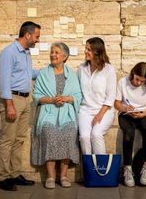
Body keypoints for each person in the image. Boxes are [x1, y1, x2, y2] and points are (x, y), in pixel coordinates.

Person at [31, 42, 82, 189]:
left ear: (64, 57)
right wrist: (52, 100)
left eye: (56, 53)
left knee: (69, 132)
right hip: (48, 112)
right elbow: (36, 96)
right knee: (49, 132)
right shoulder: (43, 74)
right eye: (52, 52)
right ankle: (51, 176)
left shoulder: (71, 74)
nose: (53, 55)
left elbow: (78, 96)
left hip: (66, 113)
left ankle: (63, 175)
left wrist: (67, 98)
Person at [0, 21, 41, 191]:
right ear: (27, 35)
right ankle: (3, 178)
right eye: (36, 36)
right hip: (12, 100)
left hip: (25, 99)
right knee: (7, 140)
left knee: (19, 140)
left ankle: (14, 174)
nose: (37, 40)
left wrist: (48, 71)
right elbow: (4, 81)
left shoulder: (25, 53)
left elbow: (27, 74)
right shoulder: (9, 52)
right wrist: (9, 105)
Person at [114, 62, 146, 187]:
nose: (138, 83)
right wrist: (125, 108)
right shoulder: (123, 82)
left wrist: (142, 115)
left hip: (143, 113)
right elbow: (116, 104)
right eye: (137, 79)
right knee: (128, 133)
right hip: (126, 114)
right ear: (133, 73)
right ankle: (128, 168)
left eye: (142, 81)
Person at [77, 37, 116, 154]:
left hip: (105, 111)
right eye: (85, 48)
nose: (85, 51)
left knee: (96, 134)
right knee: (84, 137)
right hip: (85, 110)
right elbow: (78, 91)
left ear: (97, 52)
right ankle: (89, 170)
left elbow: (111, 96)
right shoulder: (81, 68)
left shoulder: (109, 70)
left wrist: (100, 114)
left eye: (88, 49)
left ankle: (101, 169)